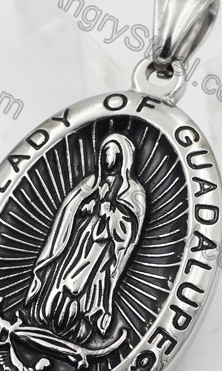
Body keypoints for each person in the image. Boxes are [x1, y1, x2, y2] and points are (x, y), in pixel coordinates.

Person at [24, 133, 146, 345]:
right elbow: (69, 209)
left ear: (123, 157)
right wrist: (86, 206)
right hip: (78, 241)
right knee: (63, 278)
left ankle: (72, 327)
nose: (108, 159)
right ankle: (45, 317)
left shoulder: (132, 190)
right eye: (105, 153)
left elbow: (130, 226)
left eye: (113, 154)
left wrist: (110, 211)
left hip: (101, 249)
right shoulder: (92, 182)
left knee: (79, 285)